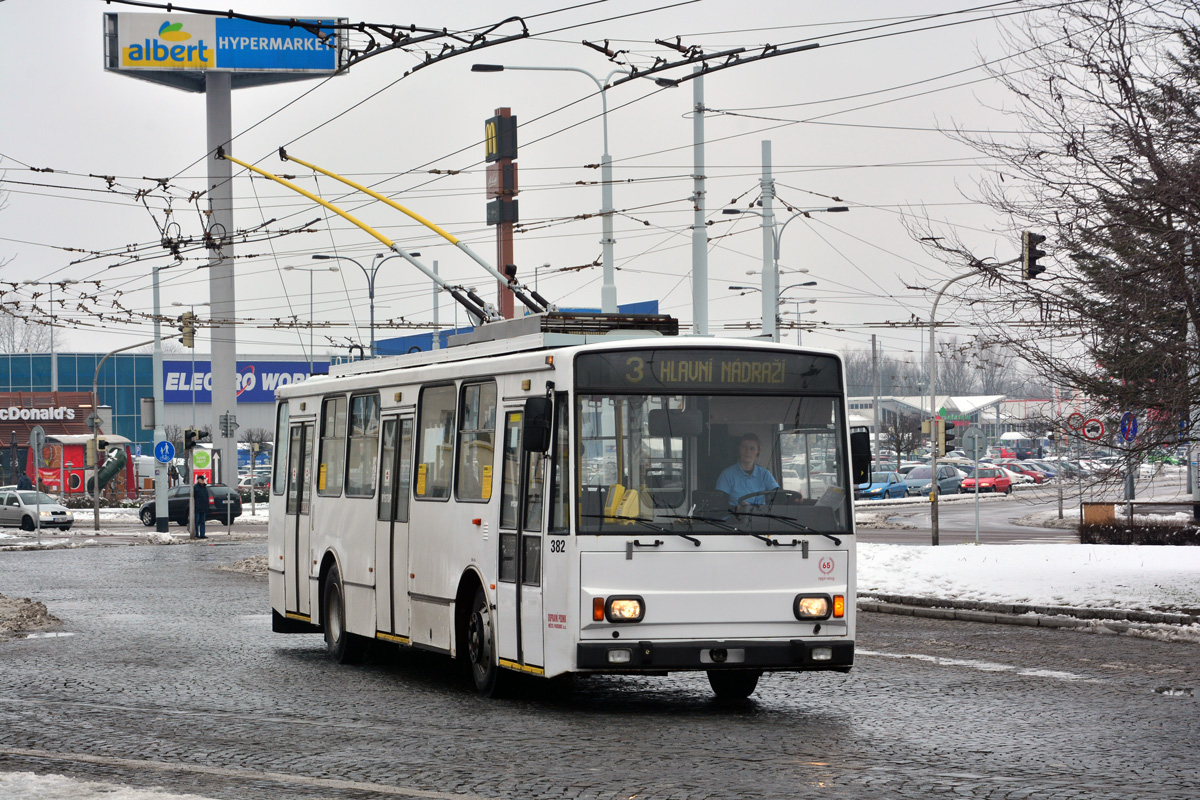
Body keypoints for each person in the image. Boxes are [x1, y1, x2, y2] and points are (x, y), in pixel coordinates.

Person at [715, 433, 780, 510]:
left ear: (758, 452)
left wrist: (795, 500)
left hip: (760, 518)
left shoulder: (765, 474)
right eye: (744, 447)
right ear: (739, 449)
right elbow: (719, 504)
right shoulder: (726, 475)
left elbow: (779, 496)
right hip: (734, 518)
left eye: (752, 448)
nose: (747, 451)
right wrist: (736, 508)